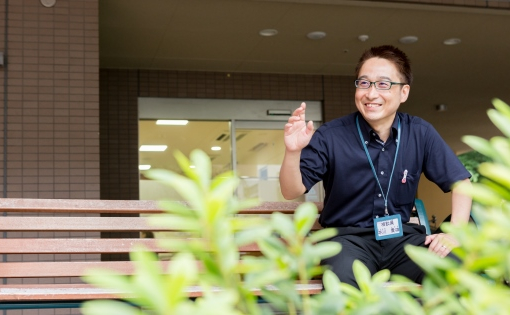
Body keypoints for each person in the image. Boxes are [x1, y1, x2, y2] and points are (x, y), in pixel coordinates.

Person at [279, 45, 472, 288]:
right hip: (347, 240)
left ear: (404, 92)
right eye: (364, 83)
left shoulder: (420, 133)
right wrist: (293, 151)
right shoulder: (331, 135)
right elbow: (291, 190)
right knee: (344, 283)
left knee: (453, 268)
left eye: (383, 84)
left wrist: (454, 232)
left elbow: (461, 183)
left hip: (401, 238)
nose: (371, 94)